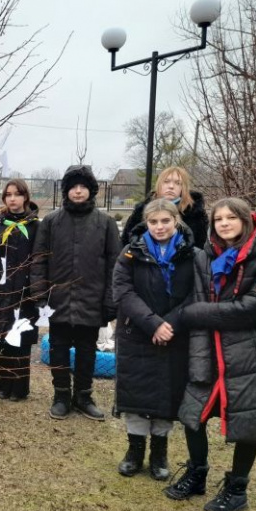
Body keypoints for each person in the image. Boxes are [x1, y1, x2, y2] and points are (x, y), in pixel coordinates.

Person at [164, 198, 256, 511]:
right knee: (192, 415)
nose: (225, 223)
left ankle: (237, 488)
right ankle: (197, 472)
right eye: (219, 219)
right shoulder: (205, 259)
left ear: (246, 221)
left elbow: (252, 309)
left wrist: (196, 313)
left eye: (232, 217)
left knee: (250, 422)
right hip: (208, 351)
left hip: (251, 355)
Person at [112, 199, 196, 480]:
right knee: (136, 392)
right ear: (146, 223)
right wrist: (152, 324)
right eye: (153, 222)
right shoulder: (131, 252)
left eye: (165, 221)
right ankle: (134, 451)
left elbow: (195, 294)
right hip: (136, 333)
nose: (159, 227)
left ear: (176, 221)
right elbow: (122, 291)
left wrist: (169, 324)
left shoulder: (192, 254)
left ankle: (159, 453)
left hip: (174, 335)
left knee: (166, 393)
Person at [30, 165, 120, 420]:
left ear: (91, 191)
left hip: (91, 299)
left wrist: (110, 300)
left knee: (87, 349)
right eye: (73, 187)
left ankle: (83, 395)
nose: (78, 191)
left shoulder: (105, 223)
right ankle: (61, 395)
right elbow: (39, 260)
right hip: (57, 298)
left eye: (83, 187)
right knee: (58, 348)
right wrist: (40, 294)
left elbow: (116, 263)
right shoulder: (51, 221)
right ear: (66, 190)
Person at [0, 179, 40, 401]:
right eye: (8, 195)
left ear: (25, 196)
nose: (12, 198)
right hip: (0, 288)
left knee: (21, 336)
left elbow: (39, 257)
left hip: (24, 289)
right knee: (1, 334)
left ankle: (18, 387)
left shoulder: (35, 226)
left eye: (17, 194)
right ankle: (2, 384)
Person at [120, 166, 209, 249]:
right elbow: (126, 243)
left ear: (183, 188)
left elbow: (200, 248)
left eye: (178, 183)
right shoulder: (141, 211)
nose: (171, 186)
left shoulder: (195, 214)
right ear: (159, 184)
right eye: (166, 181)